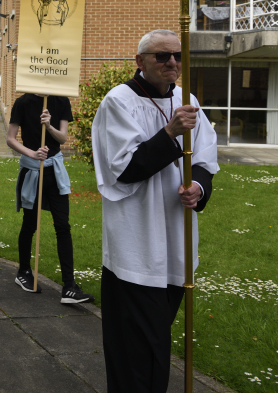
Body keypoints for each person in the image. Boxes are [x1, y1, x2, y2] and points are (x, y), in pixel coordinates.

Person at [92, 29, 217, 393]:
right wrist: (170, 132)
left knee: (156, 337)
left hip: (176, 240)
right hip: (137, 243)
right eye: (162, 56)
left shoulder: (186, 99)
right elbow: (125, 170)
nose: (172, 63)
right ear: (140, 61)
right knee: (139, 349)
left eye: (177, 55)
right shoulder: (118, 102)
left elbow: (206, 158)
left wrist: (199, 188)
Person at [6, 93, 93, 303]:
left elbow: (63, 137)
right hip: (32, 170)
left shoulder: (61, 101)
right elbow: (10, 138)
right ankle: (24, 272)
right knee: (30, 224)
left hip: (55, 170)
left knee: (63, 226)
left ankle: (69, 286)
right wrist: (31, 153)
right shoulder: (23, 102)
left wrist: (49, 125)